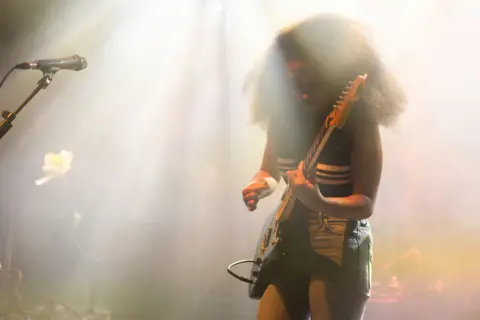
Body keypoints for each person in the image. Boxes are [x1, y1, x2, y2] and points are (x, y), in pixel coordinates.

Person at [241, 13, 406, 320]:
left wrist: (319, 201)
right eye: (293, 83)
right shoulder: (283, 119)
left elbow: (365, 204)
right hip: (288, 240)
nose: (302, 93)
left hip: (338, 246)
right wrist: (260, 185)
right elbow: (270, 172)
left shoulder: (359, 125)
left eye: (312, 83)